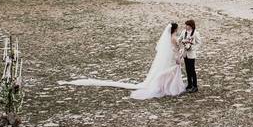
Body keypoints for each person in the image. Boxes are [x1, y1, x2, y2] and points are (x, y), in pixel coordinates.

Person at [58, 21, 186, 99]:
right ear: (175, 29)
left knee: (166, 71)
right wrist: (182, 50)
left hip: (169, 56)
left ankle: (165, 86)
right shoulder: (174, 38)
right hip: (173, 57)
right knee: (172, 71)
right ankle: (171, 88)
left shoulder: (168, 38)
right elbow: (177, 47)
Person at [178, 19, 201, 93]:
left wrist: (192, 47)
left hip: (191, 54)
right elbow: (180, 39)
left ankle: (195, 86)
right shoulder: (183, 32)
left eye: (187, 25)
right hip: (185, 54)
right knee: (187, 70)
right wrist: (177, 41)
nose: (186, 27)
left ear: (191, 26)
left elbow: (199, 43)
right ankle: (189, 84)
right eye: (186, 25)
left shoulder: (195, 33)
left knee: (192, 70)